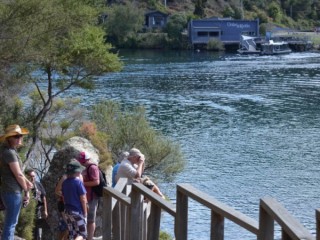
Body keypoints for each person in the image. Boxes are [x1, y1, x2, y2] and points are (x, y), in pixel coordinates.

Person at [0, 124, 33, 240]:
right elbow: (18, 174)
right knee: (11, 224)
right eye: (16, 136)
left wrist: (26, 181)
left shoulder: (9, 151)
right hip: (12, 192)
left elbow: (18, 173)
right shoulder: (9, 153)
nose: (20, 138)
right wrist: (26, 189)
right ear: (9, 138)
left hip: (9, 191)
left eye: (20, 136)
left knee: (10, 223)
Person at [77, 151, 100, 240]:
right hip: (87, 197)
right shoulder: (86, 168)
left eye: (83, 160)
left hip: (92, 197)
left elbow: (96, 182)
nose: (81, 162)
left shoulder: (93, 168)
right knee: (85, 219)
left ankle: (89, 238)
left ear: (87, 159)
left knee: (90, 219)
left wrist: (82, 183)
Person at [62, 160, 87, 240]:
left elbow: (63, 196)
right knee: (82, 234)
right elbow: (83, 199)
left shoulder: (64, 182)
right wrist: (85, 213)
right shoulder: (78, 182)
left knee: (72, 234)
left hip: (67, 211)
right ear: (77, 172)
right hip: (77, 211)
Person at [25, 168, 48, 240]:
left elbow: (44, 197)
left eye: (34, 176)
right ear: (26, 176)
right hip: (27, 210)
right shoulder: (24, 184)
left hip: (38, 210)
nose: (33, 178)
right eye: (31, 176)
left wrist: (45, 210)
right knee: (28, 228)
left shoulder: (38, 184)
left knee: (38, 229)